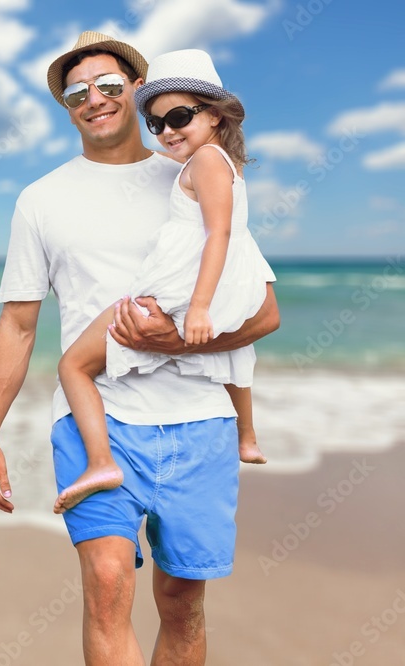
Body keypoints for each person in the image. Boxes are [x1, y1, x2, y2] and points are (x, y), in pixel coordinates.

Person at [0, 32, 280, 665]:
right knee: (108, 581)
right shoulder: (40, 200)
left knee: (182, 601)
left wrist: (180, 340)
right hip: (96, 421)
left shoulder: (197, 173)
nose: (94, 99)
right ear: (65, 105)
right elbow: (19, 326)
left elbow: (263, 310)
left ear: (139, 90)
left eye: (109, 85)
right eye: (76, 91)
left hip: (197, 419)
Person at [55, 48, 272, 511]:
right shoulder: (214, 160)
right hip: (216, 283)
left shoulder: (207, 162)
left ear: (214, 115)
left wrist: (196, 307)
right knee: (234, 350)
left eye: (178, 117)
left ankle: (100, 463)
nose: (167, 131)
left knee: (73, 364)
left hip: (179, 287)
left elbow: (219, 233)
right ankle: (247, 436)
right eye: (156, 123)